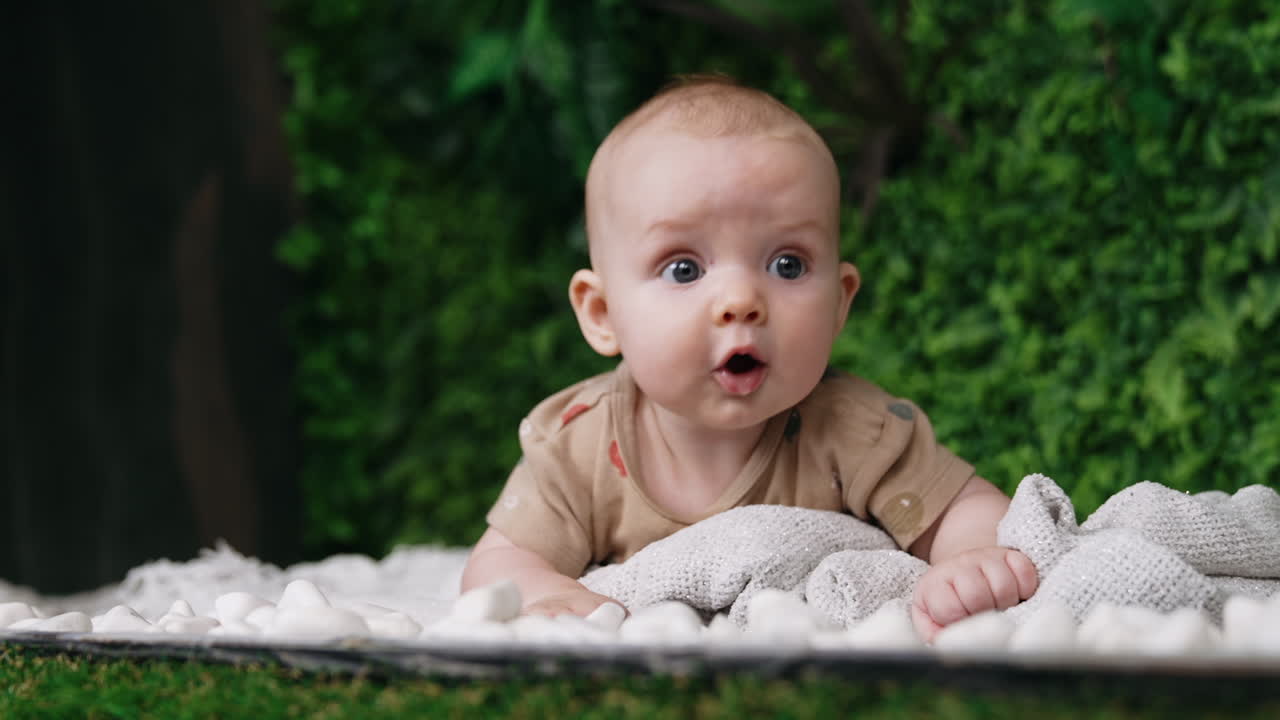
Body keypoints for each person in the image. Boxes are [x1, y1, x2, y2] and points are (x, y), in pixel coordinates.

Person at [460, 75, 1038, 641]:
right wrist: (545, 595)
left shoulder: (858, 430)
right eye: (683, 268)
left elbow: (967, 507)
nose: (740, 301)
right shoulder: (578, 446)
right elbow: (501, 563)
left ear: (839, 303)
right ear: (603, 313)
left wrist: (971, 559)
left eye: (787, 264)